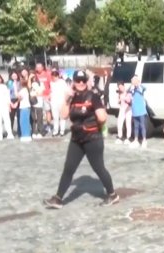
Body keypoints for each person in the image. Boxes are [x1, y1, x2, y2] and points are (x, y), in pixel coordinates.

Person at [43, 70, 119, 209]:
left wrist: (93, 116)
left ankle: (112, 194)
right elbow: (64, 115)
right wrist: (66, 99)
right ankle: (58, 198)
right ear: (73, 82)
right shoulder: (72, 98)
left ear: (87, 81)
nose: (81, 83)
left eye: (83, 80)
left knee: (99, 168)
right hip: (76, 139)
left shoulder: (93, 96)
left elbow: (102, 117)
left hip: (92, 138)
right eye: (78, 81)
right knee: (69, 168)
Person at [0, 73, 14, 140]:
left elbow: (7, 96)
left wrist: (8, 104)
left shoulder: (4, 86)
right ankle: (0, 134)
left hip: (4, 105)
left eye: (0, 78)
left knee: (7, 119)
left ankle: (9, 133)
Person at [128, 76, 147, 149]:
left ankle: (144, 140)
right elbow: (128, 91)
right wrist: (132, 86)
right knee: (136, 126)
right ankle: (136, 140)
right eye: (132, 81)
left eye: (134, 81)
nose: (133, 82)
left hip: (141, 110)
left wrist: (138, 83)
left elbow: (144, 88)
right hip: (134, 110)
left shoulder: (140, 88)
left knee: (142, 125)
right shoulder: (131, 88)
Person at [50, 69, 68, 137]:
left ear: (58, 76)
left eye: (55, 76)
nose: (54, 78)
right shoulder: (51, 83)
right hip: (54, 102)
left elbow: (66, 91)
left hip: (61, 101)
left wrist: (66, 101)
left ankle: (62, 131)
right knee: (55, 117)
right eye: (53, 76)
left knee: (62, 117)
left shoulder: (62, 82)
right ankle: (55, 130)